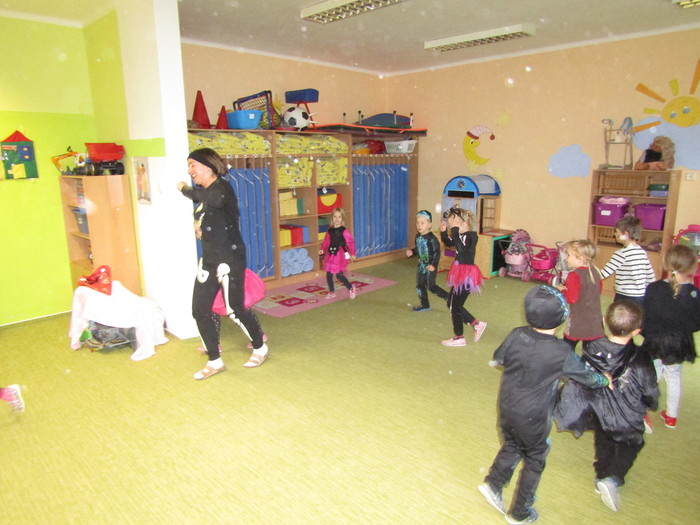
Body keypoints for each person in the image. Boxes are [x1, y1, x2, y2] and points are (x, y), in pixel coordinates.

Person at [478, 285, 611, 524]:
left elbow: (500, 358)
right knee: (535, 457)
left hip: (507, 407)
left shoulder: (516, 334)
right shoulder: (560, 351)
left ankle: (493, 483)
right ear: (561, 319)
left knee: (512, 444)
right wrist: (604, 380)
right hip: (534, 417)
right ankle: (520, 512)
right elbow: (587, 378)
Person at [554, 301, 658, 512]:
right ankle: (612, 478)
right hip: (627, 415)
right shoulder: (641, 357)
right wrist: (651, 403)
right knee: (632, 444)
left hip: (599, 409)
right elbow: (650, 389)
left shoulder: (591, 347)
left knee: (603, 440)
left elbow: (584, 374)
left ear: (604, 322)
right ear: (637, 331)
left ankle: (600, 475)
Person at [177, 148, 268, 380]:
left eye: (192, 165)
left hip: (230, 258)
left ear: (207, 166)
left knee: (235, 308)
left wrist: (185, 189)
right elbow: (203, 211)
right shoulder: (206, 194)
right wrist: (197, 224)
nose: (190, 170)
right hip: (209, 260)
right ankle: (214, 361)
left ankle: (260, 347)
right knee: (200, 310)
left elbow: (215, 200)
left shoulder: (222, 188)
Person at [641, 244, 700, 428]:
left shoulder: (654, 288)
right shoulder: (695, 294)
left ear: (666, 264)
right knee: (674, 377)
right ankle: (671, 417)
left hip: (656, 341)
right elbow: (695, 324)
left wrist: (646, 333)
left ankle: (642, 411)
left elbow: (645, 317)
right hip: (678, 344)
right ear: (693, 267)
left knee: (653, 376)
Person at [438, 206, 487, 346]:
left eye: (453, 223)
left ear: (463, 223)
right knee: (452, 303)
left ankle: (459, 337)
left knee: (454, 305)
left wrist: (454, 232)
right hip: (459, 273)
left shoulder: (472, 236)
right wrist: (443, 232)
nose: (451, 226)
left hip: (467, 275)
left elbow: (462, 250)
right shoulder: (459, 235)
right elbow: (449, 244)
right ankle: (476, 324)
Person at [557, 240, 604, 351]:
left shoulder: (574, 275)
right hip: (595, 318)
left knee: (568, 346)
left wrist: (562, 291)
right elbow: (598, 291)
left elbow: (571, 299)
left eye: (568, 255)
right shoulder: (596, 271)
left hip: (578, 318)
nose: (565, 258)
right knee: (590, 348)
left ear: (581, 258)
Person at [599, 216, 655, 304]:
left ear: (625, 234)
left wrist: (589, 274)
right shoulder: (642, 252)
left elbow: (605, 273)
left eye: (616, 232)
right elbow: (650, 275)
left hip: (624, 295)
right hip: (640, 296)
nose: (615, 234)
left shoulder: (621, 253)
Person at [405, 210, 448, 312]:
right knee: (419, 285)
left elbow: (437, 253)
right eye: (417, 223)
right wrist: (412, 252)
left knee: (431, 286)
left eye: (422, 223)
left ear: (429, 225)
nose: (419, 225)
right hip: (421, 266)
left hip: (430, 266)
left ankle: (448, 297)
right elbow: (418, 250)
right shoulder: (418, 237)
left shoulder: (432, 239)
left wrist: (434, 265)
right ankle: (425, 304)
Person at [318, 207, 357, 299]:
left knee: (339, 275)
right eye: (335, 217)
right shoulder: (330, 230)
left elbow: (350, 242)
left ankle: (351, 288)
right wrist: (322, 249)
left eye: (339, 217)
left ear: (342, 219)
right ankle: (331, 292)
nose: (337, 219)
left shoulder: (344, 231)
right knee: (329, 275)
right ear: (332, 218)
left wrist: (352, 253)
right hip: (331, 254)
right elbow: (326, 241)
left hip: (339, 255)